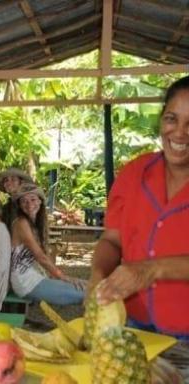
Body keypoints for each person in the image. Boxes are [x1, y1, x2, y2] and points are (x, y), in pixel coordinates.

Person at [91, 75, 189, 341]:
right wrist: (98, 274)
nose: (180, 132)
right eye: (172, 118)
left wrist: (151, 269)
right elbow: (112, 240)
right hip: (132, 324)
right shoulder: (135, 173)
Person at [10, 183, 85, 305]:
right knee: (85, 293)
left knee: (88, 285)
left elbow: (44, 254)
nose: (29, 204)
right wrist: (62, 276)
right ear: (19, 205)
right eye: (24, 201)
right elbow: (40, 257)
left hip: (35, 278)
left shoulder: (36, 223)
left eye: (33, 199)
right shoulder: (21, 223)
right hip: (25, 283)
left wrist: (55, 276)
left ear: (40, 201)